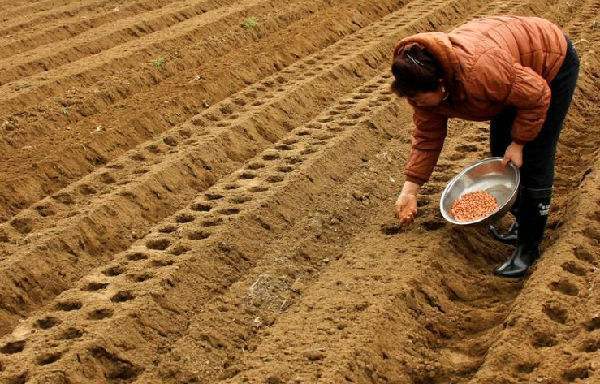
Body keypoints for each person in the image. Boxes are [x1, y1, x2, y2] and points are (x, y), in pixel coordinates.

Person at [391, 16, 580, 278]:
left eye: (418, 98)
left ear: (441, 85)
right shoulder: (422, 87)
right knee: (500, 153)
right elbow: (427, 136)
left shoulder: (480, 72)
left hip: (550, 64)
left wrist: (520, 142)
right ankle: (520, 222)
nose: (415, 103)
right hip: (510, 74)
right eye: (410, 98)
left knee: (535, 155)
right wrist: (410, 190)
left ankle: (528, 246)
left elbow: (536, 96)